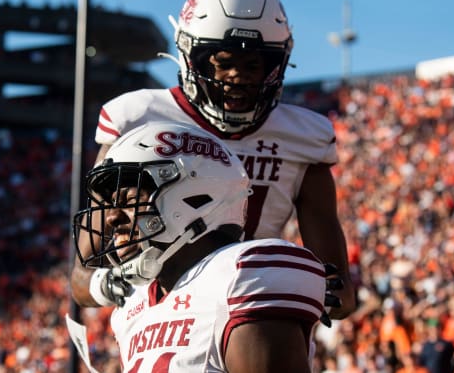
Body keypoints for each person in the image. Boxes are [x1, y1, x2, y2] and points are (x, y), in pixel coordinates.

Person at [70, 0, 355, 319]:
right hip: (160, 320)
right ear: (191, 57)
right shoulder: (138, 118)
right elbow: (82, 275)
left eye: (254, 65)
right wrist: (112, 283)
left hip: (253, 312)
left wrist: (306, 286)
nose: (238, 76)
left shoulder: (304, 138)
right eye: (223, 62)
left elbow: (341, 293)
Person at [72, 121, 328, 372]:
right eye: (110, 205)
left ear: (192, 196)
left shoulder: (238, 277)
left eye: (128, 199)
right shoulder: (133, 305)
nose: (111, 218)